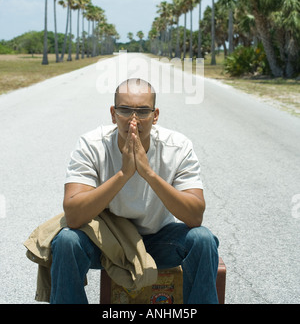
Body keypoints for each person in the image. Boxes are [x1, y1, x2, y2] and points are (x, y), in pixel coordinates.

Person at [50, 78, 219, 304]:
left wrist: (148, 173)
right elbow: (73, 216)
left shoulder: (178, 147)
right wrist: (124, 174)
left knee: (203, 240)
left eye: (142, 111)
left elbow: (194, 216)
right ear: (113, 113)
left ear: (155, 115)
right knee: (66, 241)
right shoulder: (92, 145)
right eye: (125, 110)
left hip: (158, 239)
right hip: (108, 242)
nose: (133, 120)